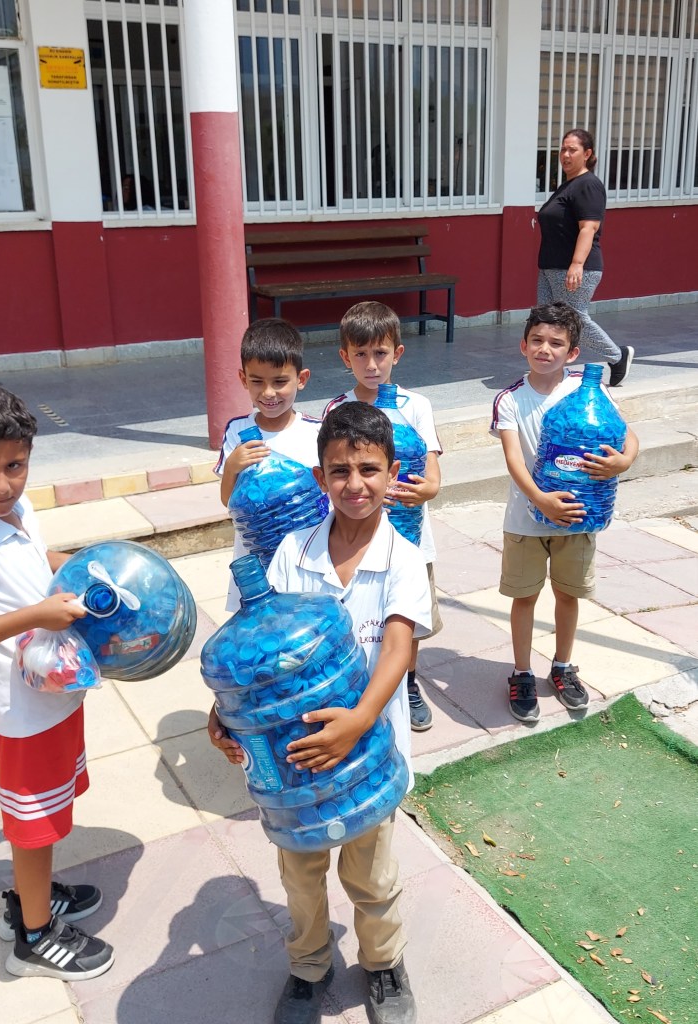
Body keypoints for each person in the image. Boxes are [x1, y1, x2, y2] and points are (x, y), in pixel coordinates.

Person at [209, 401, 431, 1024]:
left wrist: (359, 720)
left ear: (391, 474)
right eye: (339, 471)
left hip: (367, 756)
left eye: (368, 469)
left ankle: (384, 965)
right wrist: (222, 711)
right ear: (318, 478)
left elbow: (397, 644)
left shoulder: (403, 557)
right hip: (296, 764)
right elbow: (256, 647)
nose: (354, 484)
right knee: (301, 879)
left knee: (373, 878)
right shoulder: (291, 555)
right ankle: (309, 966)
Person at [0, 385, 115, 981]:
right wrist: (35, 615)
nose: (2, 484)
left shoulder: (14, 513)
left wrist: (67, 564)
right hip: (22, 715)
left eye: (15, 466)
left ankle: (30, 899)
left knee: (48, 812)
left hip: (51, 696)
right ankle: (33, 936)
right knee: (34, 825)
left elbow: (34, 556)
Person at [490, 303, 639, 723]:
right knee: (525, 596)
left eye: (556, 343)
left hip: (579, 516)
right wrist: (540, 499)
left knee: (568, 593)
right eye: (537, 340)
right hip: (525, 518)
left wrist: (623, 462)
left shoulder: (589, 391)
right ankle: (521, 672)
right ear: (523, 345)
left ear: (572, 353)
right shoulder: (509, 400)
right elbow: (514, 459)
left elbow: (629, 436)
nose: (545, 349)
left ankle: (562, 665)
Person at [323, 301, 442, 733]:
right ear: (345, 356)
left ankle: (408, 683)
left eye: (380, 353)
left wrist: (418, 490)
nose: (371, 365)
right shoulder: (337, 409)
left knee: (405, 621)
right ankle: (358, 683)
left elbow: (432, 479)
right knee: (361, 615)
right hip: (358, 538)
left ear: (398, 353)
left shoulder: (416, 406)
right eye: (360, 354)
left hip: (409, 538)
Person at [215, 317, 321, 609]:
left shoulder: (317, 431)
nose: (268, 393)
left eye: (280, 382)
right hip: (257, 557)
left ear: (301, 378)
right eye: (257, 381)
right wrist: (234, 466)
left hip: (307, 552)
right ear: (242, 379)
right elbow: (229, 500)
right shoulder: (237, 431)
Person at [537, 128, 634, 388]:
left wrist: (576, 264)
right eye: (563, 149)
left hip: (575, 267)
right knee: (546, 319)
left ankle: (617, 356)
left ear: (587, 153)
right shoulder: (568, 185)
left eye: (573, 150)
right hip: (550, 266)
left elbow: (588, 227)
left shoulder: (588, 184)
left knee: (574, 318)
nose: (565, 155)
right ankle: (550, 369)